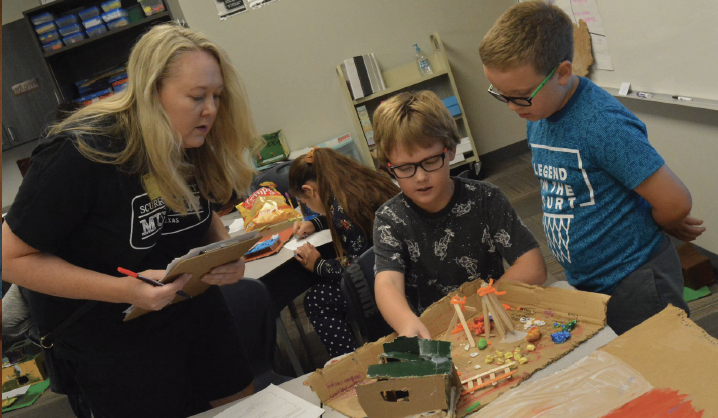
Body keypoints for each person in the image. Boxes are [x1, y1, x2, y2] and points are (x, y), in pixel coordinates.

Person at [2, 24, 264, 418]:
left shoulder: (191, 137)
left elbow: (199, 210)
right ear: (151, 92)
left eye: (216, 96)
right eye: (196, 97)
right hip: (114, 339)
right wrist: (126, 290)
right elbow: (12, 259)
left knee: (245, 409)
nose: (210, 109)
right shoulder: (80, 153)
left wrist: (225, 252)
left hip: (196, 312)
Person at [479, 1, 706, 335]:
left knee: (666, 363)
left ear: (562, 73)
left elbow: (675, 202)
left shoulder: (601, 125)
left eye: (520, 96)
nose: (512, 107)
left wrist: (648, 228)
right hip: (591, 279)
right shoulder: (539, 111)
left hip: (635, 279)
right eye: (502, 95)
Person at [371, 90, 547, 339]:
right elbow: (387, 284)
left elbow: (533, 266)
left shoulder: (485, 198)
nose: (420, 177)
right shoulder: (390, 220)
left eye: (430, 161)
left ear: (451, 150)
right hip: (437, 333)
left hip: (493, 320)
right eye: (405, 168)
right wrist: (407, 324)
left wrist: (482, 307)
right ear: (389, 167)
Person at [288, 147, 400, 358]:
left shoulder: (341, 209)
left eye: (305, 202)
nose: (309, 207)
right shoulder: (365, 180)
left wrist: (319, 265)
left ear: (310, 190)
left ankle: (350, 362)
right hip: (404, 264)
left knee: (316, 300)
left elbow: (357, 267)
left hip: (385, 281)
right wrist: (317, 222)